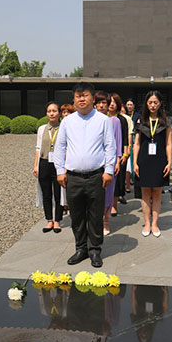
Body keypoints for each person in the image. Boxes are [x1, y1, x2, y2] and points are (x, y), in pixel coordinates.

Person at [54, 82, 116, 268]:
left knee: (95, 215)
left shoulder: (103, 120)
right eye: (78, 96)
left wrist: (109, 170)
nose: (81, 99)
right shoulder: (67, 121)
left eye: (85, 95)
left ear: (92, 97)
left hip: (96, 176)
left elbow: (110, 147)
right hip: (73, 177)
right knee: (77, 215)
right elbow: (60, 147)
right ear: (74, 99)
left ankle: (95, 249)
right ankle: (81, 248)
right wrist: (59, 171)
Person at [133, 90, 172, 238]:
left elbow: (169, 144)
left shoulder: (166, 121)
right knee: (145, 193)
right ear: (146, 104)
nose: (152, 105)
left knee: (156, 193)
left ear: (160, 103)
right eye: (150, 102)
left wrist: (169, 162)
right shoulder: (141, 121)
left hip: (159, 160)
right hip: (144, 160)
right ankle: (147, 223)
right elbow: (136, 144)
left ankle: (155, 223)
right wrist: (135, 163)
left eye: (155, 102)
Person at [93, 91, 122, 235]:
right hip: (94, 163)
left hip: (109, 162)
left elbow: (117, 142)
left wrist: (117, 161)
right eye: (98, 102)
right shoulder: (91, 121)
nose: (101, 105)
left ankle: (106, 221)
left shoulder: (114, 121)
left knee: (108, 193)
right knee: (95, 193)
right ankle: (95, 221)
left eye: (104, 102)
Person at [33, 101, 64, 233]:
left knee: (58, 193)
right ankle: (49, 220)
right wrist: (35, 166)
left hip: (58, 164)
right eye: (49, 111)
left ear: (59, 113)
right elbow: (38, 147)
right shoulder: (41, 129)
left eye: (54, 111)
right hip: (44, 162)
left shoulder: (64, 127)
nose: (51, 113)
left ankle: (57, 220)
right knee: (46, 193)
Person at [109, 93, 131, 210]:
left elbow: (125, 138)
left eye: (114, 102)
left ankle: (114, 205)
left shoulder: (122, 119)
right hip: (106, 153)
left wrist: (126, 154)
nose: (112, 104)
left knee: (118, 180)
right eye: (110, 102)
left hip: (120, 153)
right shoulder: (103, 118)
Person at [125, 98, 140, 193]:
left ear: (134, 105)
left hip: (135, 137)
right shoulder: (124, 115)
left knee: (133, 158)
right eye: (128, 104)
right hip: (126, 138)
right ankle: (127, 179)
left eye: (131, 104)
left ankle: (133, 177)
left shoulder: (137, 116)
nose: (129, 106)